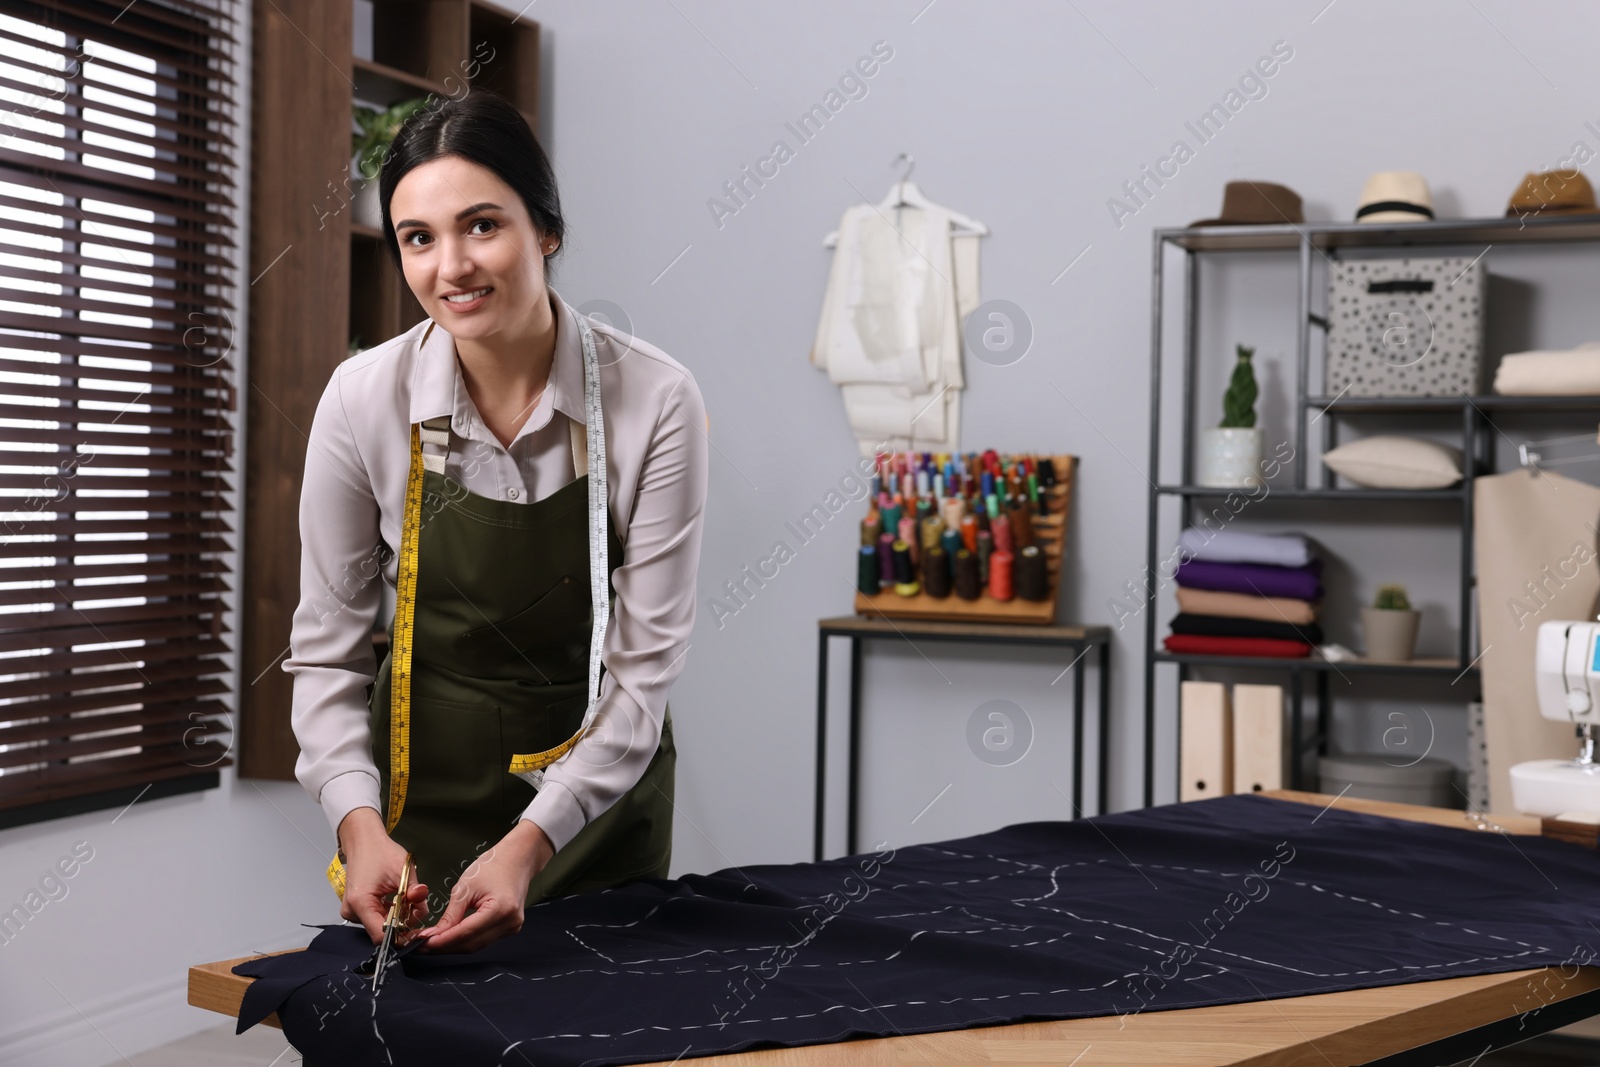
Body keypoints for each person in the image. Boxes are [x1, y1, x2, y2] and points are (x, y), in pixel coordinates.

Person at [284, 90, 708, 955]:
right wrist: (357, 822)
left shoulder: (654, 401)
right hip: (418, 800)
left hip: (595, 800)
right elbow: (326, 650)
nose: (451, 267)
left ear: (545, 228)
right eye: (419, 237)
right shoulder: (365, 399)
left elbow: (641, 677)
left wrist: (532, 840)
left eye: (483, 225)